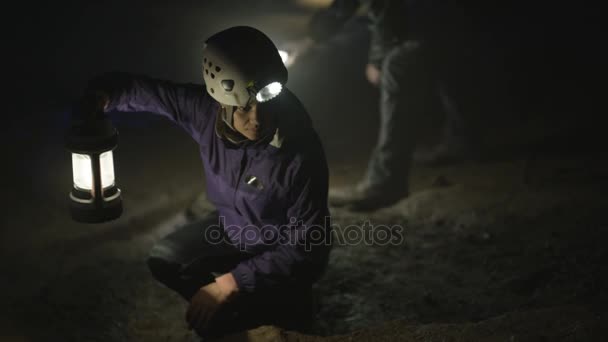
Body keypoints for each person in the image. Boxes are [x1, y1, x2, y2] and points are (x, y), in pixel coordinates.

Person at [84, 26, 332, 339]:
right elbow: (140, 90)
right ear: (222, 100)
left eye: (267, 100)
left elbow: (308, 249)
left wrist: (230, 283)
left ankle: (259, 307)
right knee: (166, 258)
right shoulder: (205, 111)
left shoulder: (300, 154)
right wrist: (99, 97)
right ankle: (233, 318)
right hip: (231, 229)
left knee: (287, 327)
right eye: (243, 106)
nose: (257, 118)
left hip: (278, 252)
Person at [293, 0, 475, 211]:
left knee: (398, 64)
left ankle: (385, 183)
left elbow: (382, 6)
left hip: (427, 21)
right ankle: (463, 137)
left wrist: (379, 56)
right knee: (447, 62)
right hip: (456, 17)